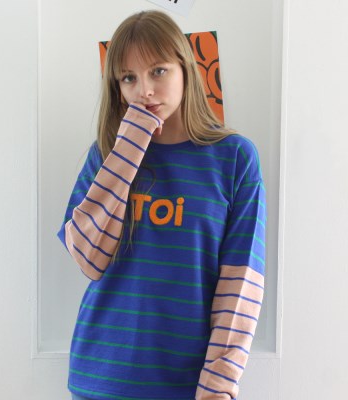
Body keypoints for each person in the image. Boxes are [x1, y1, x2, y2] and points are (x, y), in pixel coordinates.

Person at [57, 9, 266, 400]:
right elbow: (89, 258)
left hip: (185, 384)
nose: (145, 91)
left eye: (158, 71)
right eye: (128, 78)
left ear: (186, 70)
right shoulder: (105, 155)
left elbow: (241, 285)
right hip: (100, 377)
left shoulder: (234, 157)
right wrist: (130, 144)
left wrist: (217, 387)